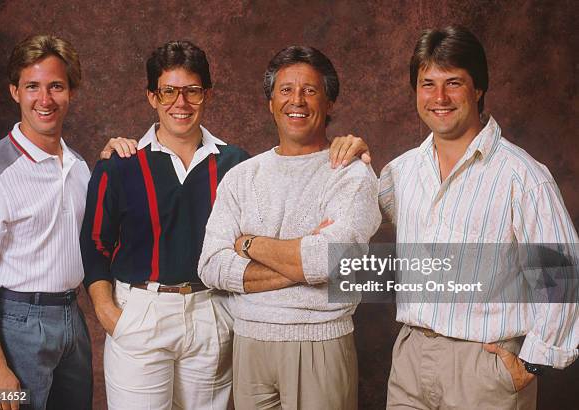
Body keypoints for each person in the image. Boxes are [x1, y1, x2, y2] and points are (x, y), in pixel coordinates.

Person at [376, 26, 579, 409]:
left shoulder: (523, 176)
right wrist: (345, 156)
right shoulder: (400, 172)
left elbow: (563, 275)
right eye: (427, 83)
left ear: (478, 89)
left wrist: (532, 363)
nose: (439, 97)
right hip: (409, 362)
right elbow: (353, 218)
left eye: (453, 82)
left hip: (485, 369)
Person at [198, 45, 381, 410]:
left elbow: (329, 261)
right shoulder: (241, 177)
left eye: (310, 90)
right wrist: (304, 263)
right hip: (248, 343)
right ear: (270, 102)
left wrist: (248, 243)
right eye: (285, 90)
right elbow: (211, 266)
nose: (296, 100)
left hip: (319, 344)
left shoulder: (351, 174)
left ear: (329, 103)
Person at [80, 40, 250, 409]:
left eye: (192, 91)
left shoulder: (236, 164)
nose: (180, 103)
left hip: (211, 311)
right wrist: (108, 313)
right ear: (151, 97)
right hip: (141, 311)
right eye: (168, 91)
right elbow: (95, 244)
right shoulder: (119, 164)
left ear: (207, 95)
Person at [0, 35, 93, 410]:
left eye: (56, 86)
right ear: (14, 92)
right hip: (14, 324)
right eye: (32, 87)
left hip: (73, 318)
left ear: (71, 91)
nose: (45, 99)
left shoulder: (80, 168)